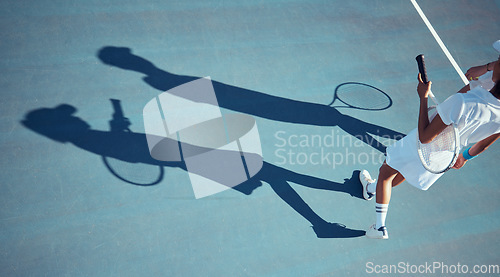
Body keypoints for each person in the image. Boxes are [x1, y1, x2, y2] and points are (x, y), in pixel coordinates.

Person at [359, 40, 500, 239]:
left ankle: (379, 227)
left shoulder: (462, 101)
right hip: (446, 155)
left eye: (498, 60)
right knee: (406, 170)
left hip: (424, 143)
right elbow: (484, 144)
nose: (495, 62)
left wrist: (423, 97)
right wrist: (465, 156)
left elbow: (425, 136)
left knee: (386, 171)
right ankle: (371, 189)